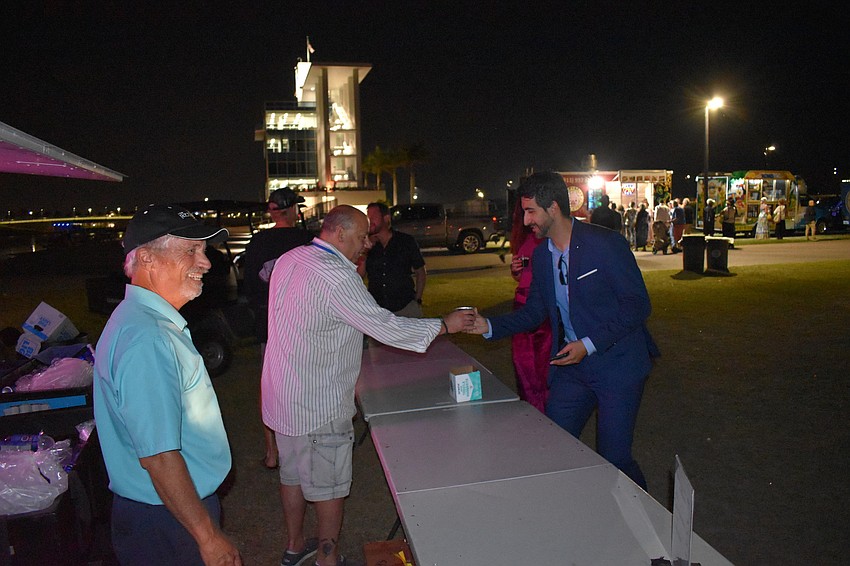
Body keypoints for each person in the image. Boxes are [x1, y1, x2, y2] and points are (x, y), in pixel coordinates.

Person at [262, 205, 475, 566]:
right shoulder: (336, 277)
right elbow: (385, 326)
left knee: (293, 476)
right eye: (362, 236)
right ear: (340, 232)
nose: (367, 244)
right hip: (318, 402)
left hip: (284, 396)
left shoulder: (290, 258)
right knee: (328, 487)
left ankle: (295, 547)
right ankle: (328, 559)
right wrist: (445, 324)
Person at [468, 172, 659, 489]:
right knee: (552, 445)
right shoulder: (542, 255)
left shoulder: (605, 244)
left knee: (615, 458)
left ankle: (647, 521)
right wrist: (488, 325)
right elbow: (535, 312)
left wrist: (588, 343)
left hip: (618, 365)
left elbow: (637, 305)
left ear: (553, 208)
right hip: (573, 368)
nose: (526, 220)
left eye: (531, 211)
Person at [93, 204, 242, 566]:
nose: (205, 263)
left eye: (203, 251)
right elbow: (159, 457)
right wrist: (206, 536)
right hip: (167, 518)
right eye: (191, 250)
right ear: (146, 258)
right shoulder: (149, 338)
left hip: (164, 510)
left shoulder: (139, 321)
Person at [242, 188, 313, 470]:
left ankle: (272, 451)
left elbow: (249, 285)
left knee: (269, 385)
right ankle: (305, 443)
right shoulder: (308, 240)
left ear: (273, 211)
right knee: (305, 382)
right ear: (293, 209)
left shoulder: (258, 242)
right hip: (304, 323)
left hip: (268, 323)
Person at [508, 200, 551, 413]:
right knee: (523, 364)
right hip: (522, 304)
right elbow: (521, 276)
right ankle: (533, 410)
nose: (526, 219)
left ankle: (545, 410)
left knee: (542, 365)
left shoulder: (548, 237)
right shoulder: (524, 237)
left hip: (540, 307)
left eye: (530, 211)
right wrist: (515, 270)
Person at [362, 202, 426, 317]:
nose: (370, 222)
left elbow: (420, 271)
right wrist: (365, 251)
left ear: (386, 218)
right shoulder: (366, 246)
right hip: (378, 310)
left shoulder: (406, 241)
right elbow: (360, 275)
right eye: (368, 218)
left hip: (405, 307)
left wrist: (418, 299)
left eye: (373, 217)